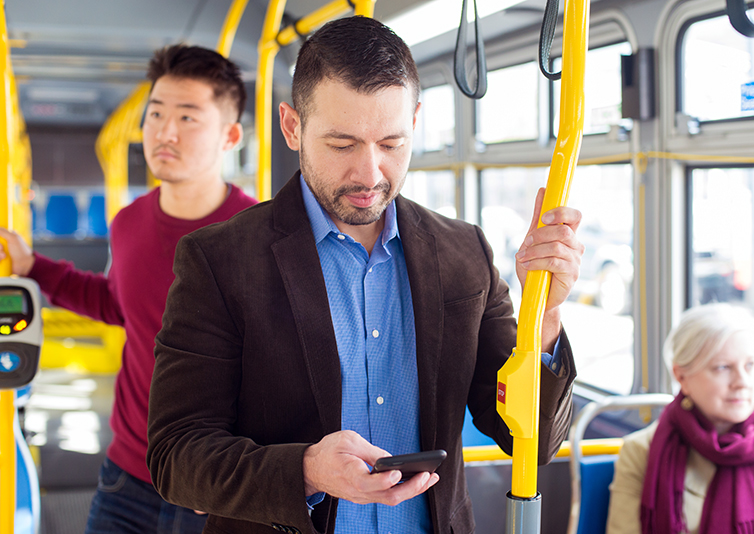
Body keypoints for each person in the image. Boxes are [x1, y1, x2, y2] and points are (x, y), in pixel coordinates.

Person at [147, 16, 583, 534]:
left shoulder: (463, 252)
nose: (370, 174)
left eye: (392, 144)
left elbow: (529, 438)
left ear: (416, 121)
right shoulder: (219, 260)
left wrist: (547, 315)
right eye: (342, 144)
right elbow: (176, 457)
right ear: (292, 127)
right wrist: (305, 471)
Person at [0, 44, 258, 533]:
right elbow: (119, 305)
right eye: (155, 113)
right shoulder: (129, 223)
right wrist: (34, 267)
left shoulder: (260, 234)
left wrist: (239, 469)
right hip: (126, 475)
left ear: (229, 136)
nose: (164, 131)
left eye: (187, 117)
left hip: (212, 485)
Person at [607, 303, 754, 534]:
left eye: (749, 365)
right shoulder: (640, 453)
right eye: (722, 367)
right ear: (681, 376)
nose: (742, 382)